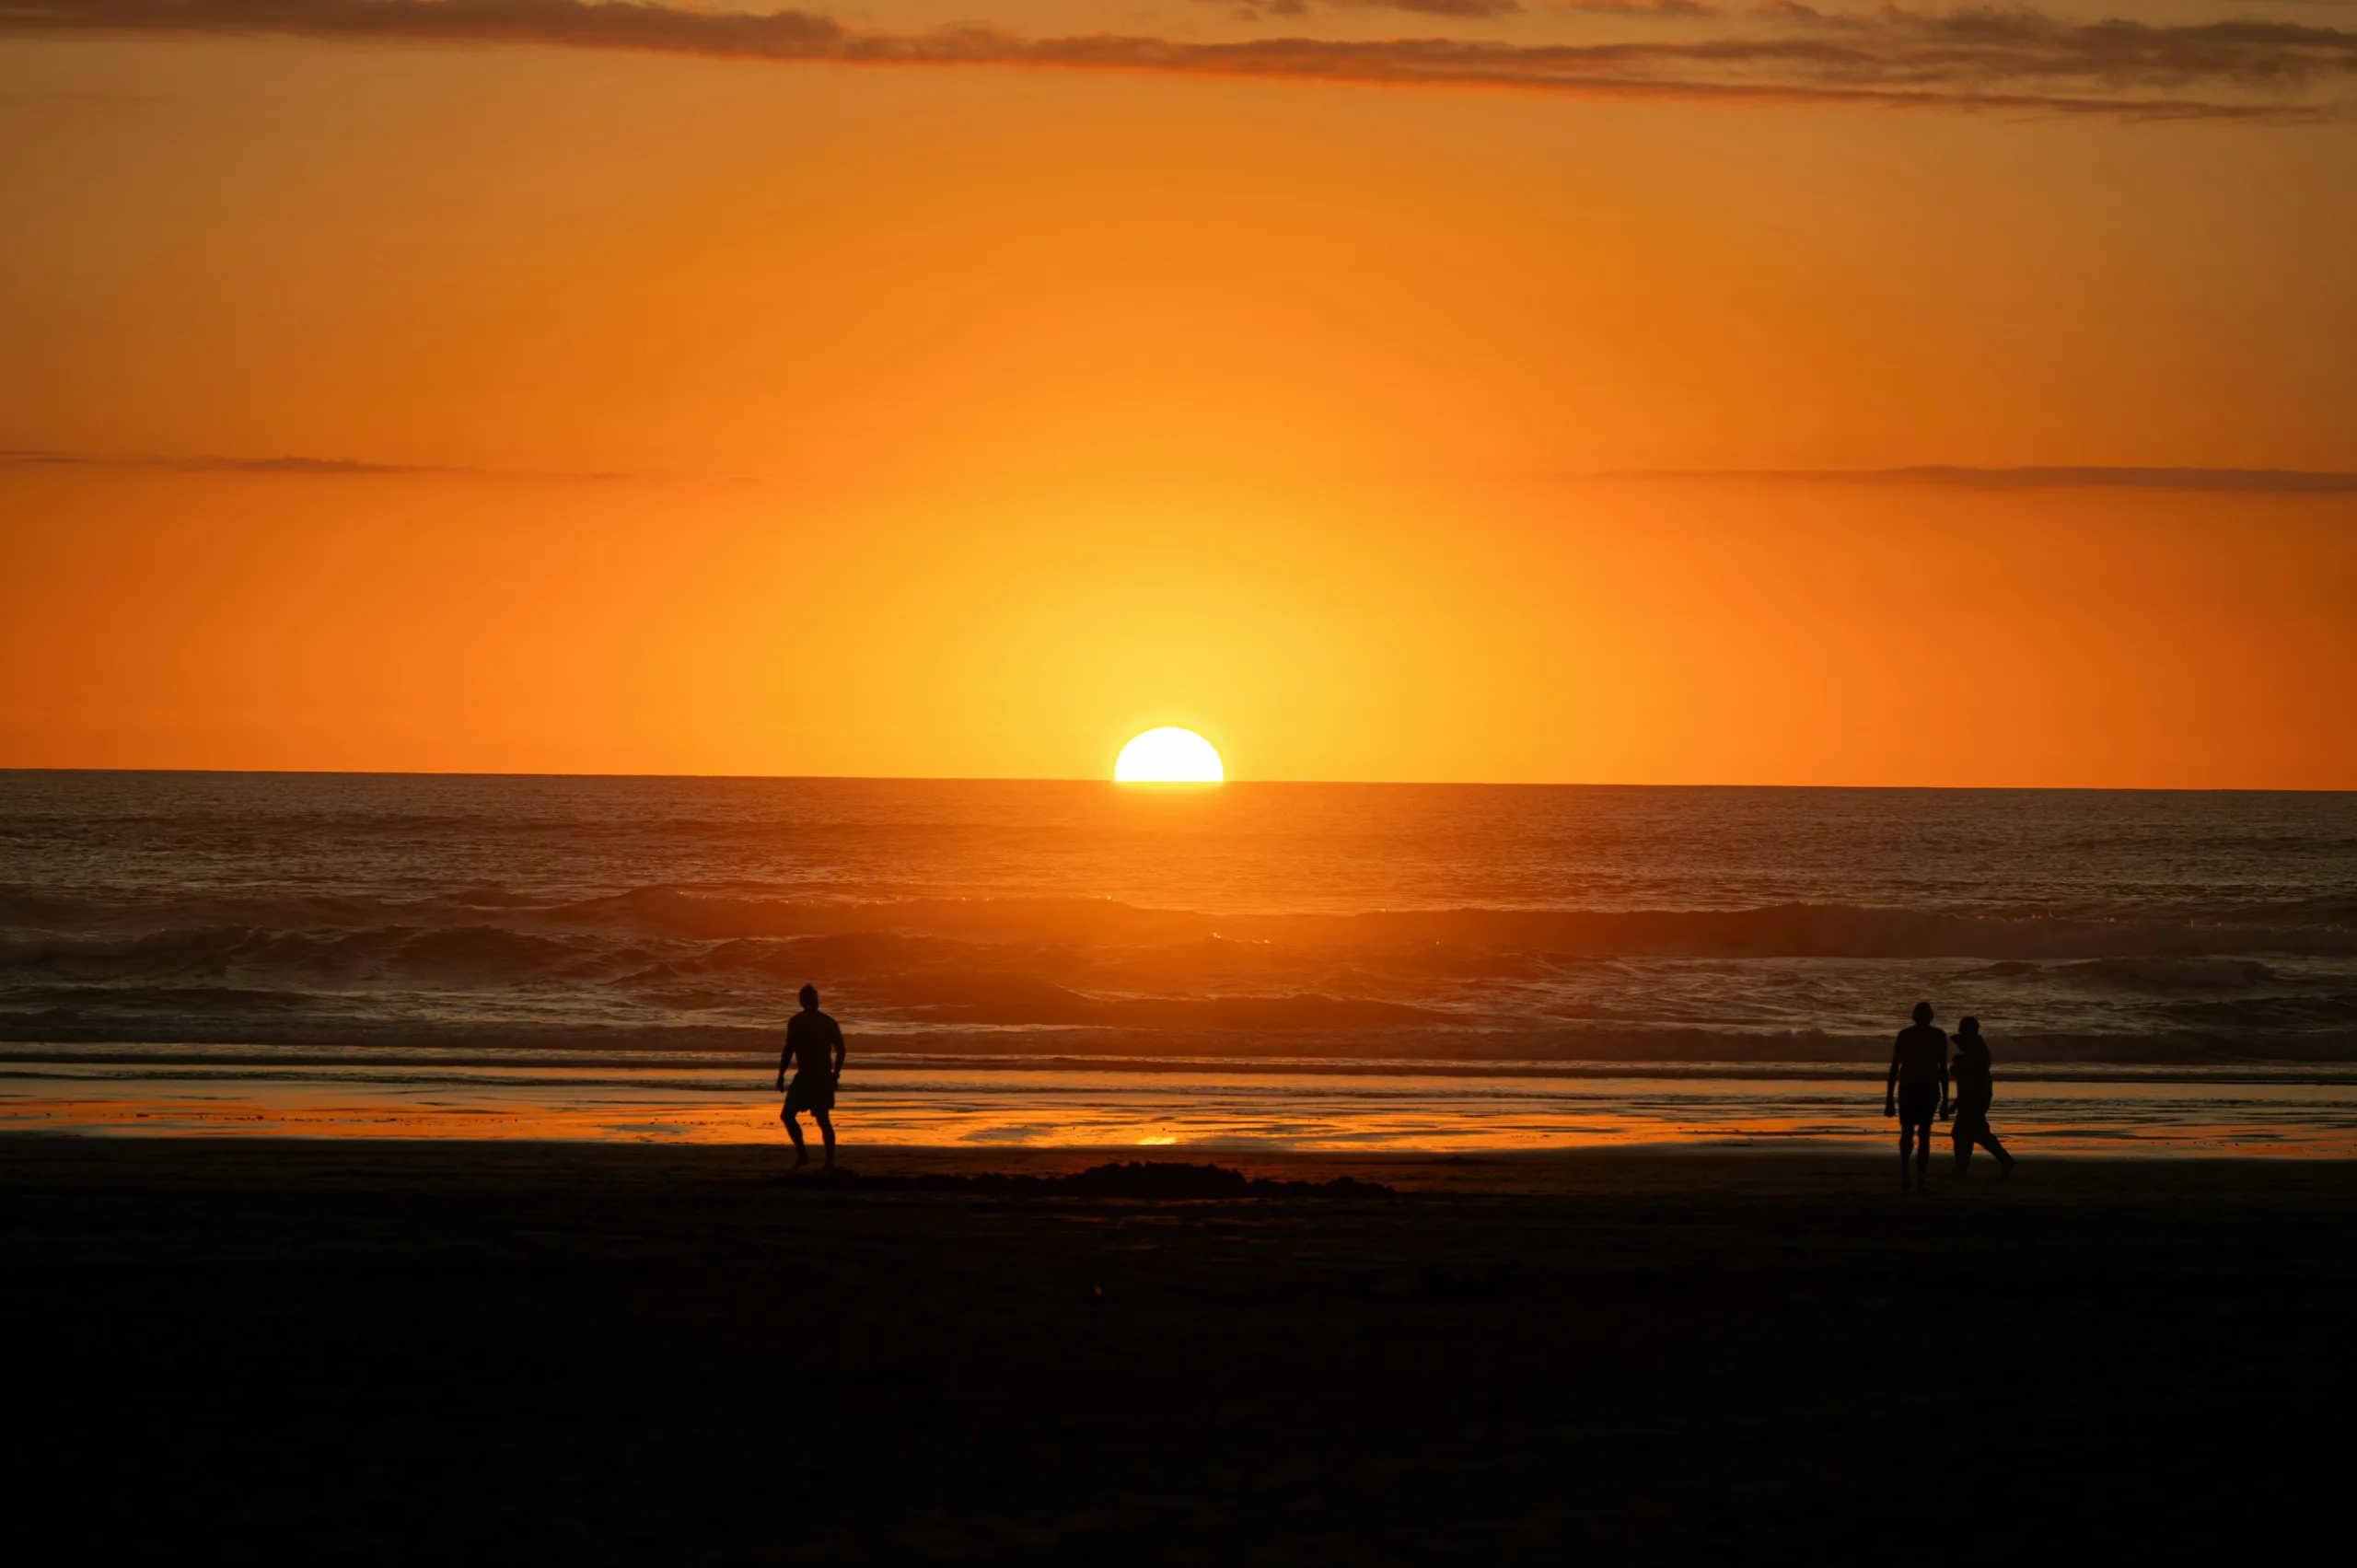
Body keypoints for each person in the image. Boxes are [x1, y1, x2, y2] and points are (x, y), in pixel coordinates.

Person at [777, 983, 846, 1171]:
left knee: (819, 1119)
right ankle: (808, 1156)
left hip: (816, 1077)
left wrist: (835, 1075)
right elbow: (789, 1049)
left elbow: (840, 1050)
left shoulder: (805, 1022)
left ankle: (819, 1159)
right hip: (811, 1077)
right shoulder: (821, 1022)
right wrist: (835, 1075)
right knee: (796, 1116)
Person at [1885, 1001, 1950, 1191]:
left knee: (1912, 1132)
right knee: (1921, 1134)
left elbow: (1894, 1068)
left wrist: (1889, 1098)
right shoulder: (1935, 1036)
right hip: (1921, 1088)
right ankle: (1915, 1177)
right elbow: (1943, 1071)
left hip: (1916, 1088)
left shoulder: (1907, 1035)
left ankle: (1909, 1175)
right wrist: (1945, 1099)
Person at [1948, 1016, 2014, 1179]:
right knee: (1968, 1133)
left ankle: (2004, 1160)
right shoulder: (1975, 1047)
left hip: (1975, 1097)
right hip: (1977, 1096)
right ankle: (1962, 1169)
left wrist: (1957, 1103)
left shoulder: (1976, 1050)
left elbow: (1969, 1080)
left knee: (1969, 1133)